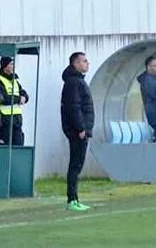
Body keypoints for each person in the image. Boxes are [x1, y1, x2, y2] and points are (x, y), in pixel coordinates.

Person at [61, 51, 93, 212]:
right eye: (84, 61)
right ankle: (71, 199)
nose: (87, 64)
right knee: (75, 165)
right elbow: (74, 107)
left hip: (81, 130)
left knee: (77, 165)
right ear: (75, 63)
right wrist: (81, 128)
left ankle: (74, 199)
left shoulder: (77, 81)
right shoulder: (73, 82)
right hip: (77, 131)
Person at [0, 57, 29, 145]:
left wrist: (24, 97)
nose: (13, 66)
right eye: (11, 64)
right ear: (5, 67)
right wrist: (19, 99)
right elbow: (4, 98)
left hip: (17, 118)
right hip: (5, 118)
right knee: (7, 144)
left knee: (19, 144)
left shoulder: (15, 80)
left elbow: (24, 93)